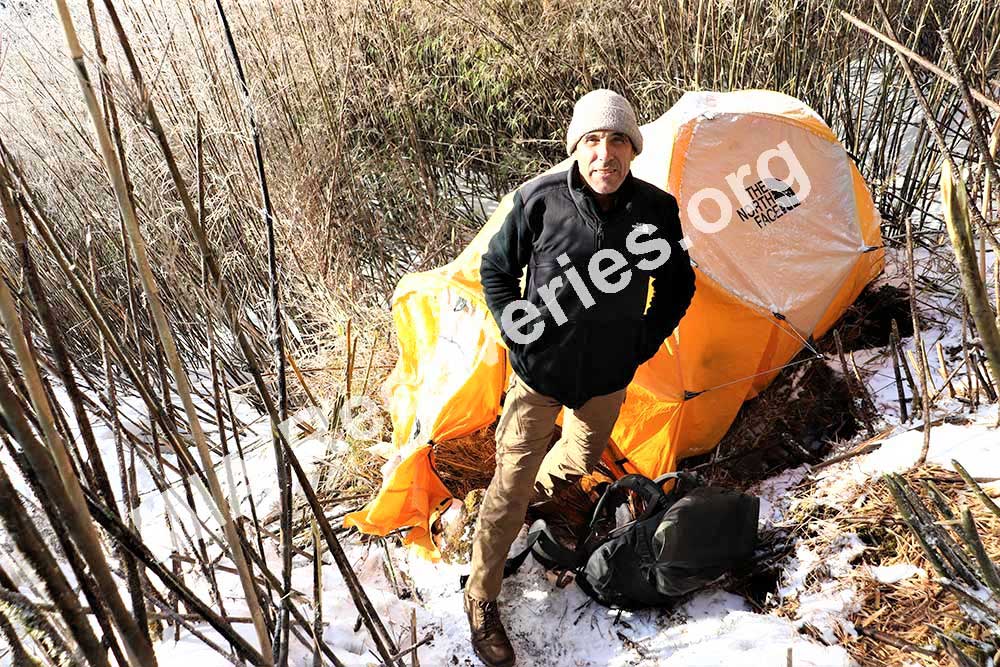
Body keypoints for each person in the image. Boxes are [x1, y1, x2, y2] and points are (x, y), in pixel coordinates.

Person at [465, 89, 696, 667]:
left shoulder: (656, 211)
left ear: (632, 149)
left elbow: (677, 287)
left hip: (606, 379)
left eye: (618, 140)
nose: (605, 154)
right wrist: (517, 330)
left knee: (581, 460)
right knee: (510, 483)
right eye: (593, 140)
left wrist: (638, 344)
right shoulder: (539, 199)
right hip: (538, 376)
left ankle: (519, 504)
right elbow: (495, 268)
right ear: (576, 147)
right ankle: (481, 596)